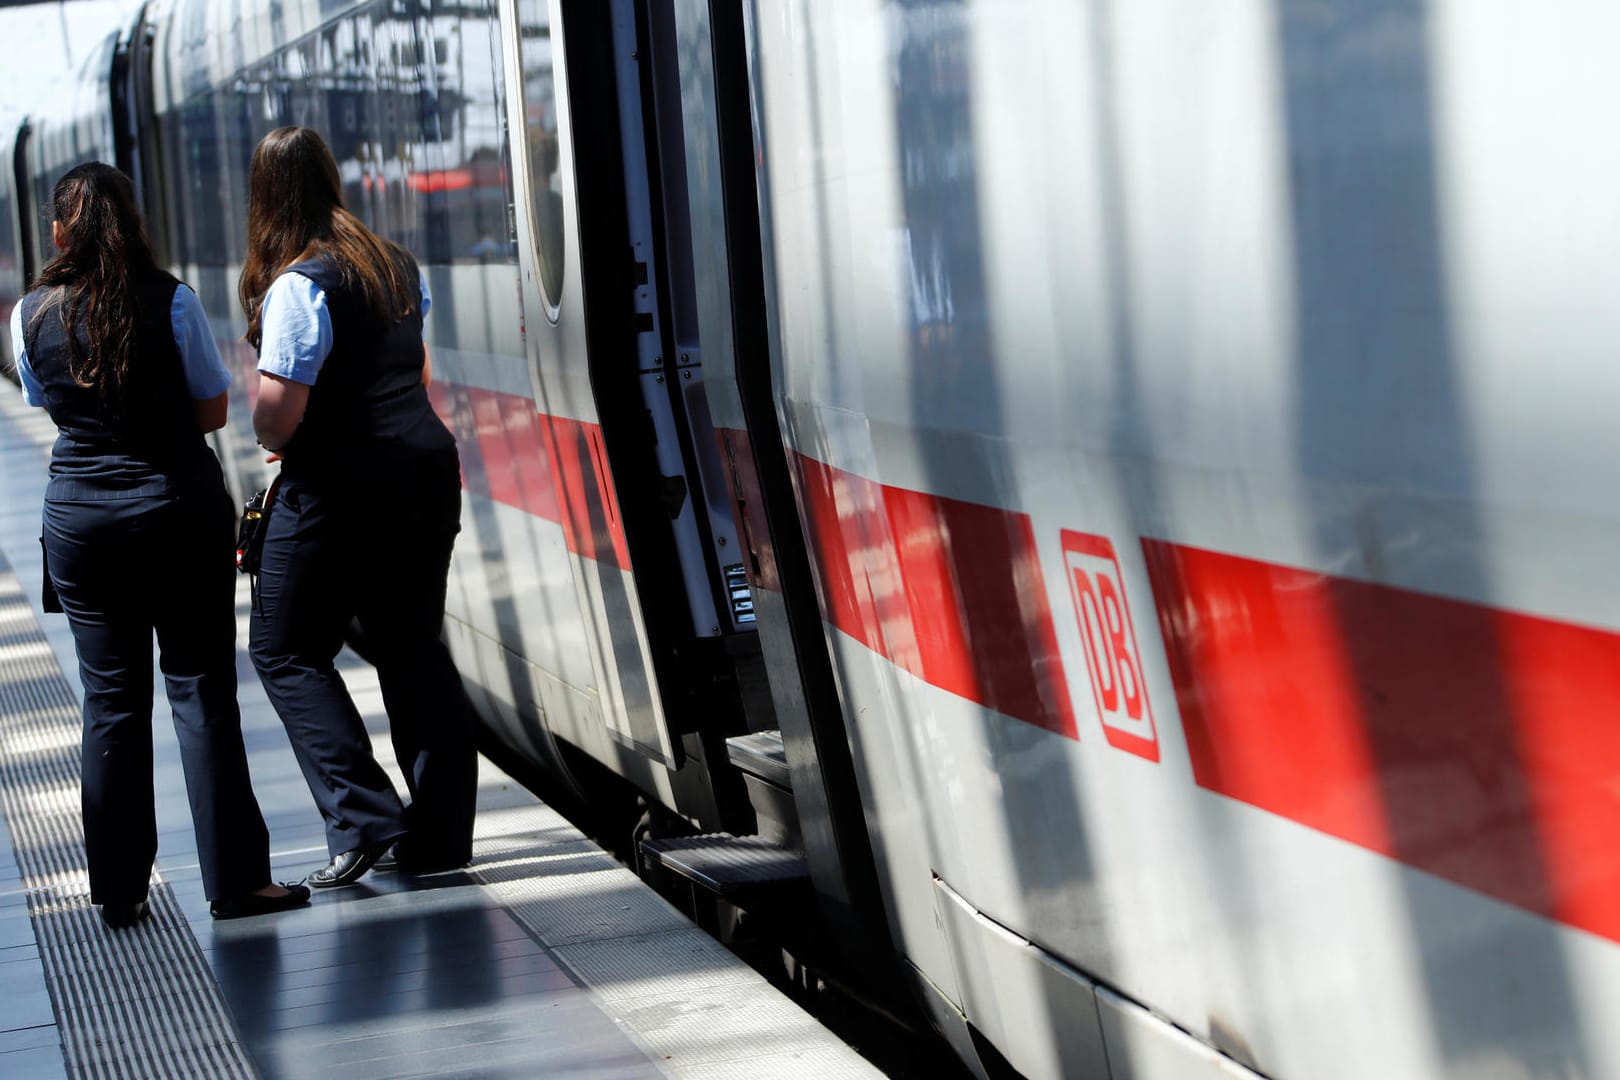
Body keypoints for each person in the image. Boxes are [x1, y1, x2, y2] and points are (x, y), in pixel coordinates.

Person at [11, 162, 309, 926]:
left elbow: (45, 400)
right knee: (201, 692)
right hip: (176, 510)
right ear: (132, 225)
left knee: (110, 702)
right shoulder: (170, 299)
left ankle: (117, 887)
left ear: (59, 232)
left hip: (79, 520)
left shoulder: (30, 313)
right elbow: (212, 410)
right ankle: (238, 883)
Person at [239, 127, 478, 887]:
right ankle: (440, 836)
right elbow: (418, 369)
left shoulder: (299, 285)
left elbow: (278, 417)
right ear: (331, 180)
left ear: (267, 197)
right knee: (411, 644)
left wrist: (270, 420)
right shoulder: (393, 266)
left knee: (282, 646)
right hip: (424, 471)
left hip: (340, 486)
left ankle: (365, 816)